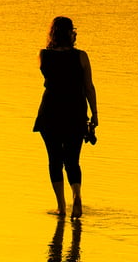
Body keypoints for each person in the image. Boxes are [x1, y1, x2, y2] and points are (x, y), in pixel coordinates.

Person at [32, 17, 99, 218]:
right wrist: (94, 113)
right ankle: (77, 196)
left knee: (54, 159)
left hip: (50, 112)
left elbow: (48, 74)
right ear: (71, 33)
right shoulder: (81, 57)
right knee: (72, 160)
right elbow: (89, 87)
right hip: (75, 112)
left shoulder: (43, 55)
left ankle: (61, 207)